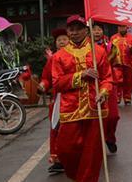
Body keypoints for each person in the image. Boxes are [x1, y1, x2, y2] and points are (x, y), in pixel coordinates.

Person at [52, 15, 112, 182]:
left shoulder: (98, 52)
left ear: (86, 30)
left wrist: (104, 91)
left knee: (92, 153)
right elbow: (57, 83)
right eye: (71, 29)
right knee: (65, 150)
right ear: (67, 31)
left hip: (95, 108)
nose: (75, 32)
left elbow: (107, 77)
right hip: (70, 110)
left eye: (79, 29)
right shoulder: (59, 56)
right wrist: (81, 75)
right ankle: (78, 177)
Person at [38, 28, 69, 174]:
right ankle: (58, 160)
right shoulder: (53, 60)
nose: (62, 42)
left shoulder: (78, 55)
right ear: (56, 43)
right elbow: (46, 78)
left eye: (64, 39)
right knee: (56, 128)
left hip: (78, 97)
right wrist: (43, 85)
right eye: (59, 40)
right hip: (58, 99)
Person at [93, 23, 122, 154]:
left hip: (109, 82)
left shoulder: (110, 46)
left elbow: (116, 62)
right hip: (92, 85)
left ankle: (109, 137)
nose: (97, 32)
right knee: (95, 118)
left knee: (113, 116)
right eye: (94, 29)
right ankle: (97, 142)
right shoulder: (85, 48)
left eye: (99, 29)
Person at [109, 25, 132, 105]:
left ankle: (127, 98)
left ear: (126, 28)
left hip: (128, 63)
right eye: (120, 27)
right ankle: (117, 98)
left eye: (123, 27)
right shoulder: (113, 37)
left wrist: (131, 47)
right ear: (118, 28)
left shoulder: (131, 38)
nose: (122, 28)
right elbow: (109, 49)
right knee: (117, 81)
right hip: (116, 63)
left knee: (128, 81)